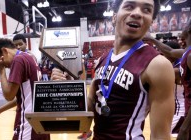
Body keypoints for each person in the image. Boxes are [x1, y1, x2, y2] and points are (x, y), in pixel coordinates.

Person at [51, 0, 175, 139]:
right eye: (129, 6)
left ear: (151, 21)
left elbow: (161, 135)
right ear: (114, 16)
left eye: (146, 10)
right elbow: (88, 109)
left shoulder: (158, 65)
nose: (137, 13)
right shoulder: (103, 59)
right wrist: (69, 88)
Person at [0, 38, 50, 140]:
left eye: (1, 60)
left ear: (5, 51)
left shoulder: (18, 60)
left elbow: (9, 95)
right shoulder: (29, 57)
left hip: (28, 122)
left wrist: (1, 69)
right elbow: (24, 97)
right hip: (40, 120)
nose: (4, 65)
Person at [143, 20, 191, 139]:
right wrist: (152, 39)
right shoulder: (187, 52)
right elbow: (170, 51)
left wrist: (184, 128)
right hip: (183, 112)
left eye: (186, 24)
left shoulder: (188, 57)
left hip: (182, 115)